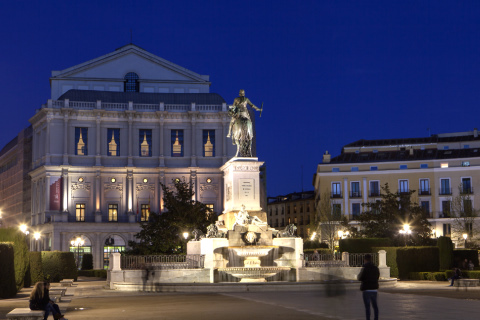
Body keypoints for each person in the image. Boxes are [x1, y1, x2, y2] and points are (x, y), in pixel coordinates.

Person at [358, 254, 379, 320]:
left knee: (367, 307)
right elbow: (377, 276)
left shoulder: (364, 268)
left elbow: (360, 278)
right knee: (375, 306)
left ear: (365, 260)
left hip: (366, 289)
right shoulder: (375, 268)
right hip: (374, 289)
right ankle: (376, 318)